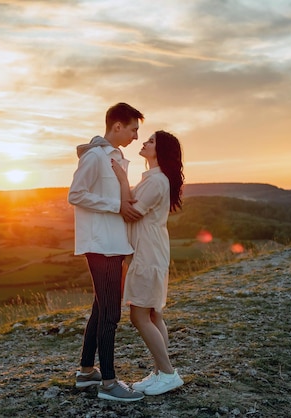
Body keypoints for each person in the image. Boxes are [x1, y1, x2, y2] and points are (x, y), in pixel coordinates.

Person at [68, 102, 146, 402]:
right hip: (101, 244)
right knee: (111, 313)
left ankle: (87, 373)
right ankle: (110, 383)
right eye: (133, 129)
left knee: (100, 309)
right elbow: (75, 194)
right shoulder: (95, 156)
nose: (136, 136)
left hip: (113, 243)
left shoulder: (116, 157)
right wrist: (116, 206)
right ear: (117, 126)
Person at [110, 130, 185, 396]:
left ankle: (167, 374)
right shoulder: (155, 179)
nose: (144, 143)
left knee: (139, 314)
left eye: (151, 141)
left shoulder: (157, 181)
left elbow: (131, 213)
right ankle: (160, 373)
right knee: (154, 313)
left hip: (147, 253)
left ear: (161, 150)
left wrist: (120, 177)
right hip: (152, 250)